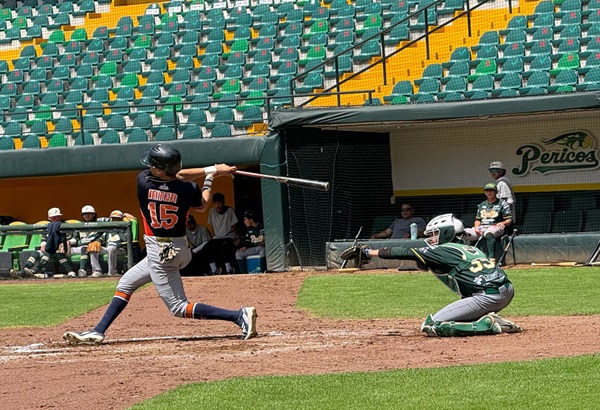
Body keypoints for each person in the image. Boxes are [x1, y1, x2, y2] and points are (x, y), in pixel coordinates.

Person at [63, 143, 257, 345]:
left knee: (179, 307)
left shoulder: (142, 182)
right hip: (179, 248)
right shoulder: (186, 188)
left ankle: (238, 315)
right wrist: (212, 176)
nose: (150, 167)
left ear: (161, 169)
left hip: (160, 252)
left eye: (154, 165)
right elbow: (201, 204)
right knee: (126, 283)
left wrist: (213, 170)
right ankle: (98, 331)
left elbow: (177, 175)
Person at [341, 213, 522, 337]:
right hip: (507, 290)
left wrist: (368, 253)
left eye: (435, 234)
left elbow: (405, 252)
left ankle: (487, 326)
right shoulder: (467, 247)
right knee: (464, 310)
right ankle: (492, 321)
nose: (432, 239)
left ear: (447, 233)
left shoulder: (442, 249)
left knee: (431, 325)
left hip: (487, 297)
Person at [14, 207, 77, 279]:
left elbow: (75, 239)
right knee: (36, 252)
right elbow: (43, 241)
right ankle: (25, 269)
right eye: (54, 217)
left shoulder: (66, 225)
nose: (57, 219)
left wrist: (69, 242)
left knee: (52, 251)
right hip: (51, 249)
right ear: (49, 218)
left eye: (58, 217)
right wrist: (43, 245)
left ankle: (34, 271)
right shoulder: (48, 227)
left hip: (65, 248)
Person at [464, 183, 513, 265]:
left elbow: (509, 220)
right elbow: (477, 220)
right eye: (487, 191)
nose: (489, 192)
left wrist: (503, 223)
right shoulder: (482, 205)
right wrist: (476, 227)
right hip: (482, 227)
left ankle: (491, 259)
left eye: (492, 191)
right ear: (484, 192)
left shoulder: (502, 203)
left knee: (489, 233)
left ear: (496, 192)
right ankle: (463, 258)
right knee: (463, 233)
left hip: (496, 226)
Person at [203, 192, 239, 275]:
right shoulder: (212, 211)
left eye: (219, 203)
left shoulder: (230, 210)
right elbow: (212, 226)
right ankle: (214, 269)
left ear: (223, 202)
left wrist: (236, 237)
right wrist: (214, 236)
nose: (218, 205)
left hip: (229, 236)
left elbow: (234, 226)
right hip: (217, 237)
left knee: (224, 247)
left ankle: (229, 269)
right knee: (206, 248)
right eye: (215, 203)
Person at [70, 205, 105, 277]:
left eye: (89, 213)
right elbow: (76, 239)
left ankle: (96, 271)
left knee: (91, 247)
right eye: (84, 214)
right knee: (62, 250)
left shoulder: (100, 223)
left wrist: (98, 241)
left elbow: (113, 219)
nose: (87, 215)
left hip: (95, 247)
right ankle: (69, 272)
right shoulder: (79, 225)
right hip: (81, 247)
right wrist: (68, 242)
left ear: (94, 214)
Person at [99, 210, 137, 277]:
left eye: (117, 219)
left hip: (121, 249)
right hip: (108, 248)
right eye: (113, 219)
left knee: (111, 248)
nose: (115, 220)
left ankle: (112, 272)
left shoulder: (125, 228)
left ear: (121, 219)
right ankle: (96, 271)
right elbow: (102, 237)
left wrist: (118, 230)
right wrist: (97, 242)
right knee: (93, 248)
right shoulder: (108, 228)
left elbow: (125, 240)